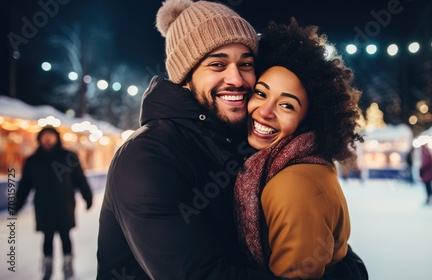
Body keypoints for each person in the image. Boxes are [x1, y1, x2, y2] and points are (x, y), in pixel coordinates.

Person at [97, 0, 285, 279]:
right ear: (185, 76)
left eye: (245, 64)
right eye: (217, 64)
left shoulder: (248, 143)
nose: (237, 78)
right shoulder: (147, 155)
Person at [234, 18, 368, 279]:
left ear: (307, 119)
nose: (264, 111)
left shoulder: (293, 183)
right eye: (261, 93)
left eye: (287, 106)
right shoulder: (294, 163)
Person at [15, 126, 93, 280]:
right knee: (47, 237)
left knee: (65, 235)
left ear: (57, 138)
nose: (48, 139)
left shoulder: (68, 156)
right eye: (45, 136)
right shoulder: (33, 160)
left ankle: (68, 266)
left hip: (64, 204)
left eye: (51, 135)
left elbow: (80, 179)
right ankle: (48, 267)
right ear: (39, 139)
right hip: (43, 206)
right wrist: (16, 204)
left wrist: (87, 196)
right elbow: (25, 185)